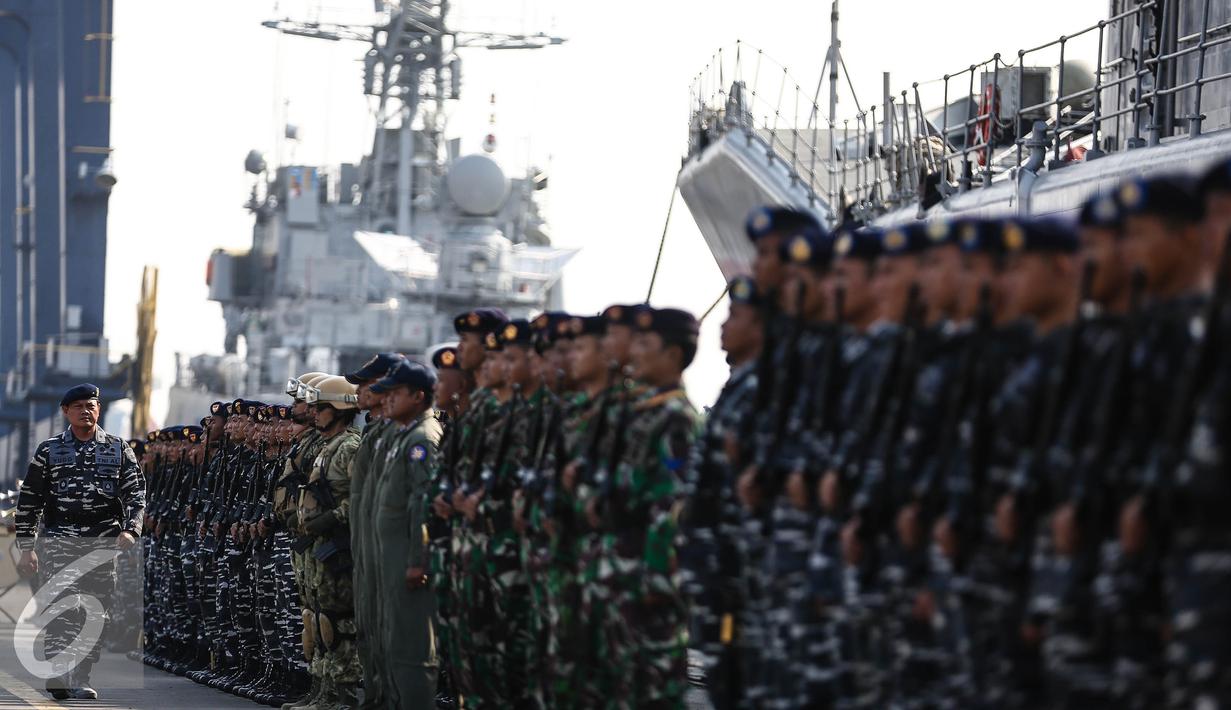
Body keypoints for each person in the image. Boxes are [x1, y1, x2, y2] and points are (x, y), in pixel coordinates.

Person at [15, 383, 146, 700]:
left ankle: (82, 676)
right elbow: (30, 501)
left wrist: (131, 529)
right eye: (79, 407)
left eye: (91, 405)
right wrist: (26, 548)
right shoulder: (49, 451)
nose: (86, 411)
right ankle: (59, 673)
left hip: (103, 543)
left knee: (96, 613)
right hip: (60, 540)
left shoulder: (117, 449)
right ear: (66, 412)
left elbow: (136, 495)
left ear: (99, 409)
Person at [369, 359, 443, 708]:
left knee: (412, 648)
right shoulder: (403, 436)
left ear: (418, 395)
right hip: (392, 557)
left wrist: (418, 560)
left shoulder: (421, 439)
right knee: (393, 641)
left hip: (408, 562)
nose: (389, 399)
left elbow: (422, 505)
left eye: (397, 393)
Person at [297, 375, 363, 710]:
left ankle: (344, 696)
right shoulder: (327, 447)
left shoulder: (350, 448)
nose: (314, 413)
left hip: (338, 548)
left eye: (320, 408)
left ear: (338, 409)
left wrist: (332, 519)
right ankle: (322, 692)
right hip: (318, 548)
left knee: (339, 625)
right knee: (318, 620)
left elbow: (360, 498)